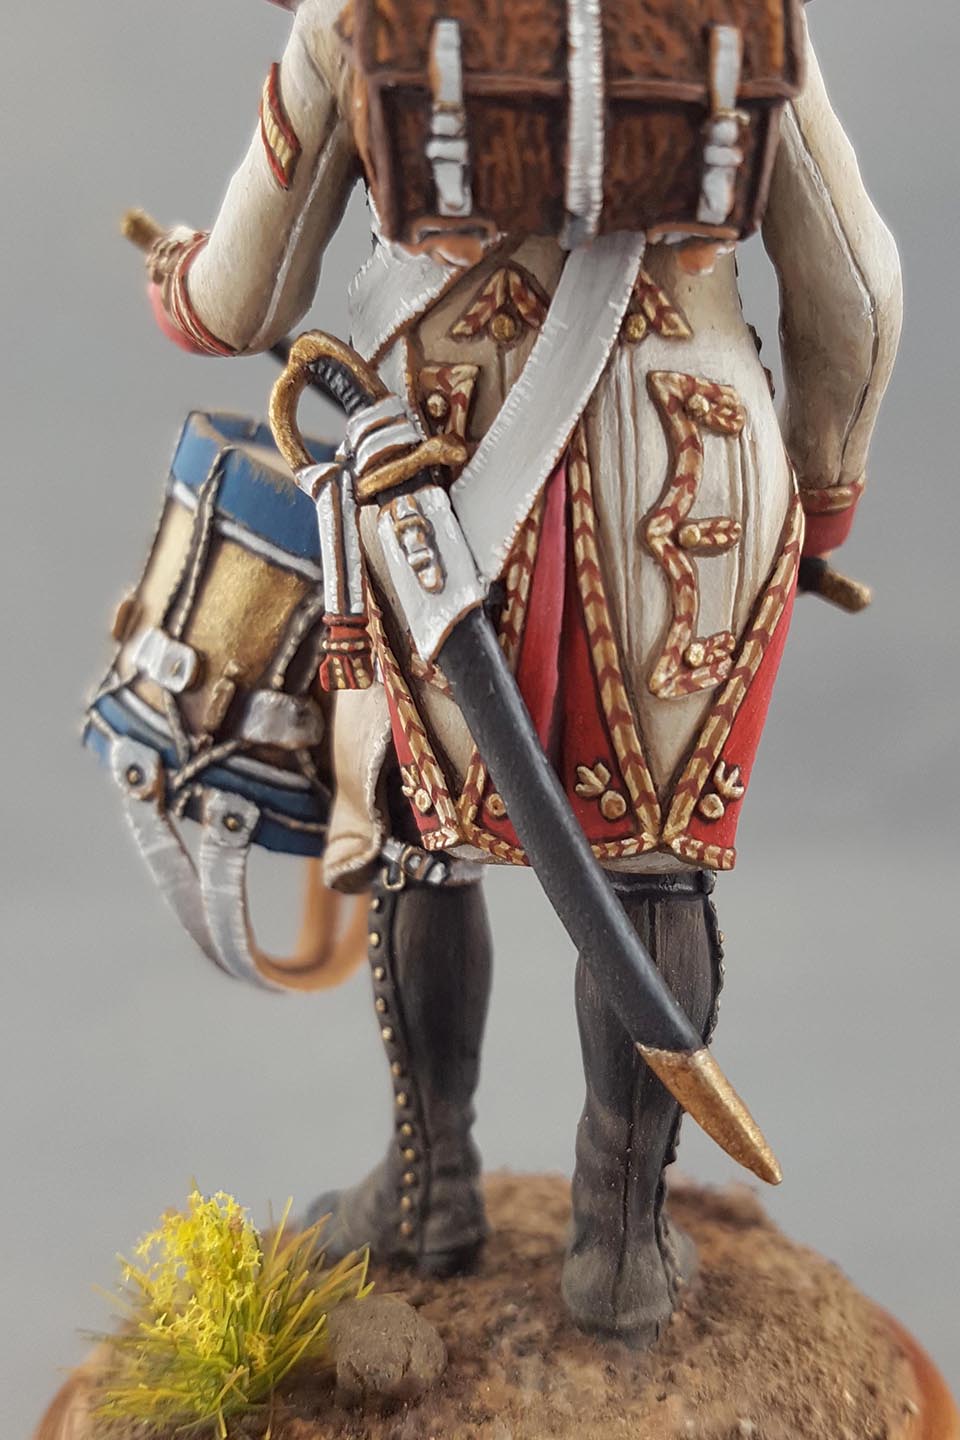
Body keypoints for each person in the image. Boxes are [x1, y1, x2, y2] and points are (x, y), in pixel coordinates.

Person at [141, 0, 902, 1345]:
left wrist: (175, 277)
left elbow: (239, 301)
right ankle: (621, 1247)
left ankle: (427, 1187)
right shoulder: (742, 10)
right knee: (654, 858)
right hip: (692, 483)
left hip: (434, 480)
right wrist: (823, 497)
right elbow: (856, 292)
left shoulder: (357, 14)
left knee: (419, 836)